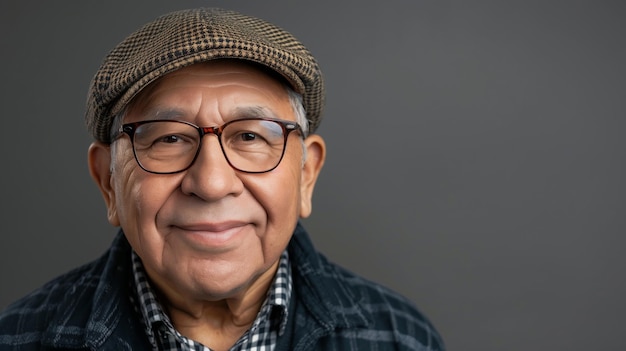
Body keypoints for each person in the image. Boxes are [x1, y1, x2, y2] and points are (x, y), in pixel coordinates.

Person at [0, 7, 444, 351]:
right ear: (108, 183)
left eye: (250, 135)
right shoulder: (20, 339)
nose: (212, 183)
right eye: (170, 138)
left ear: (306, 174)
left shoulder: (399, 338)